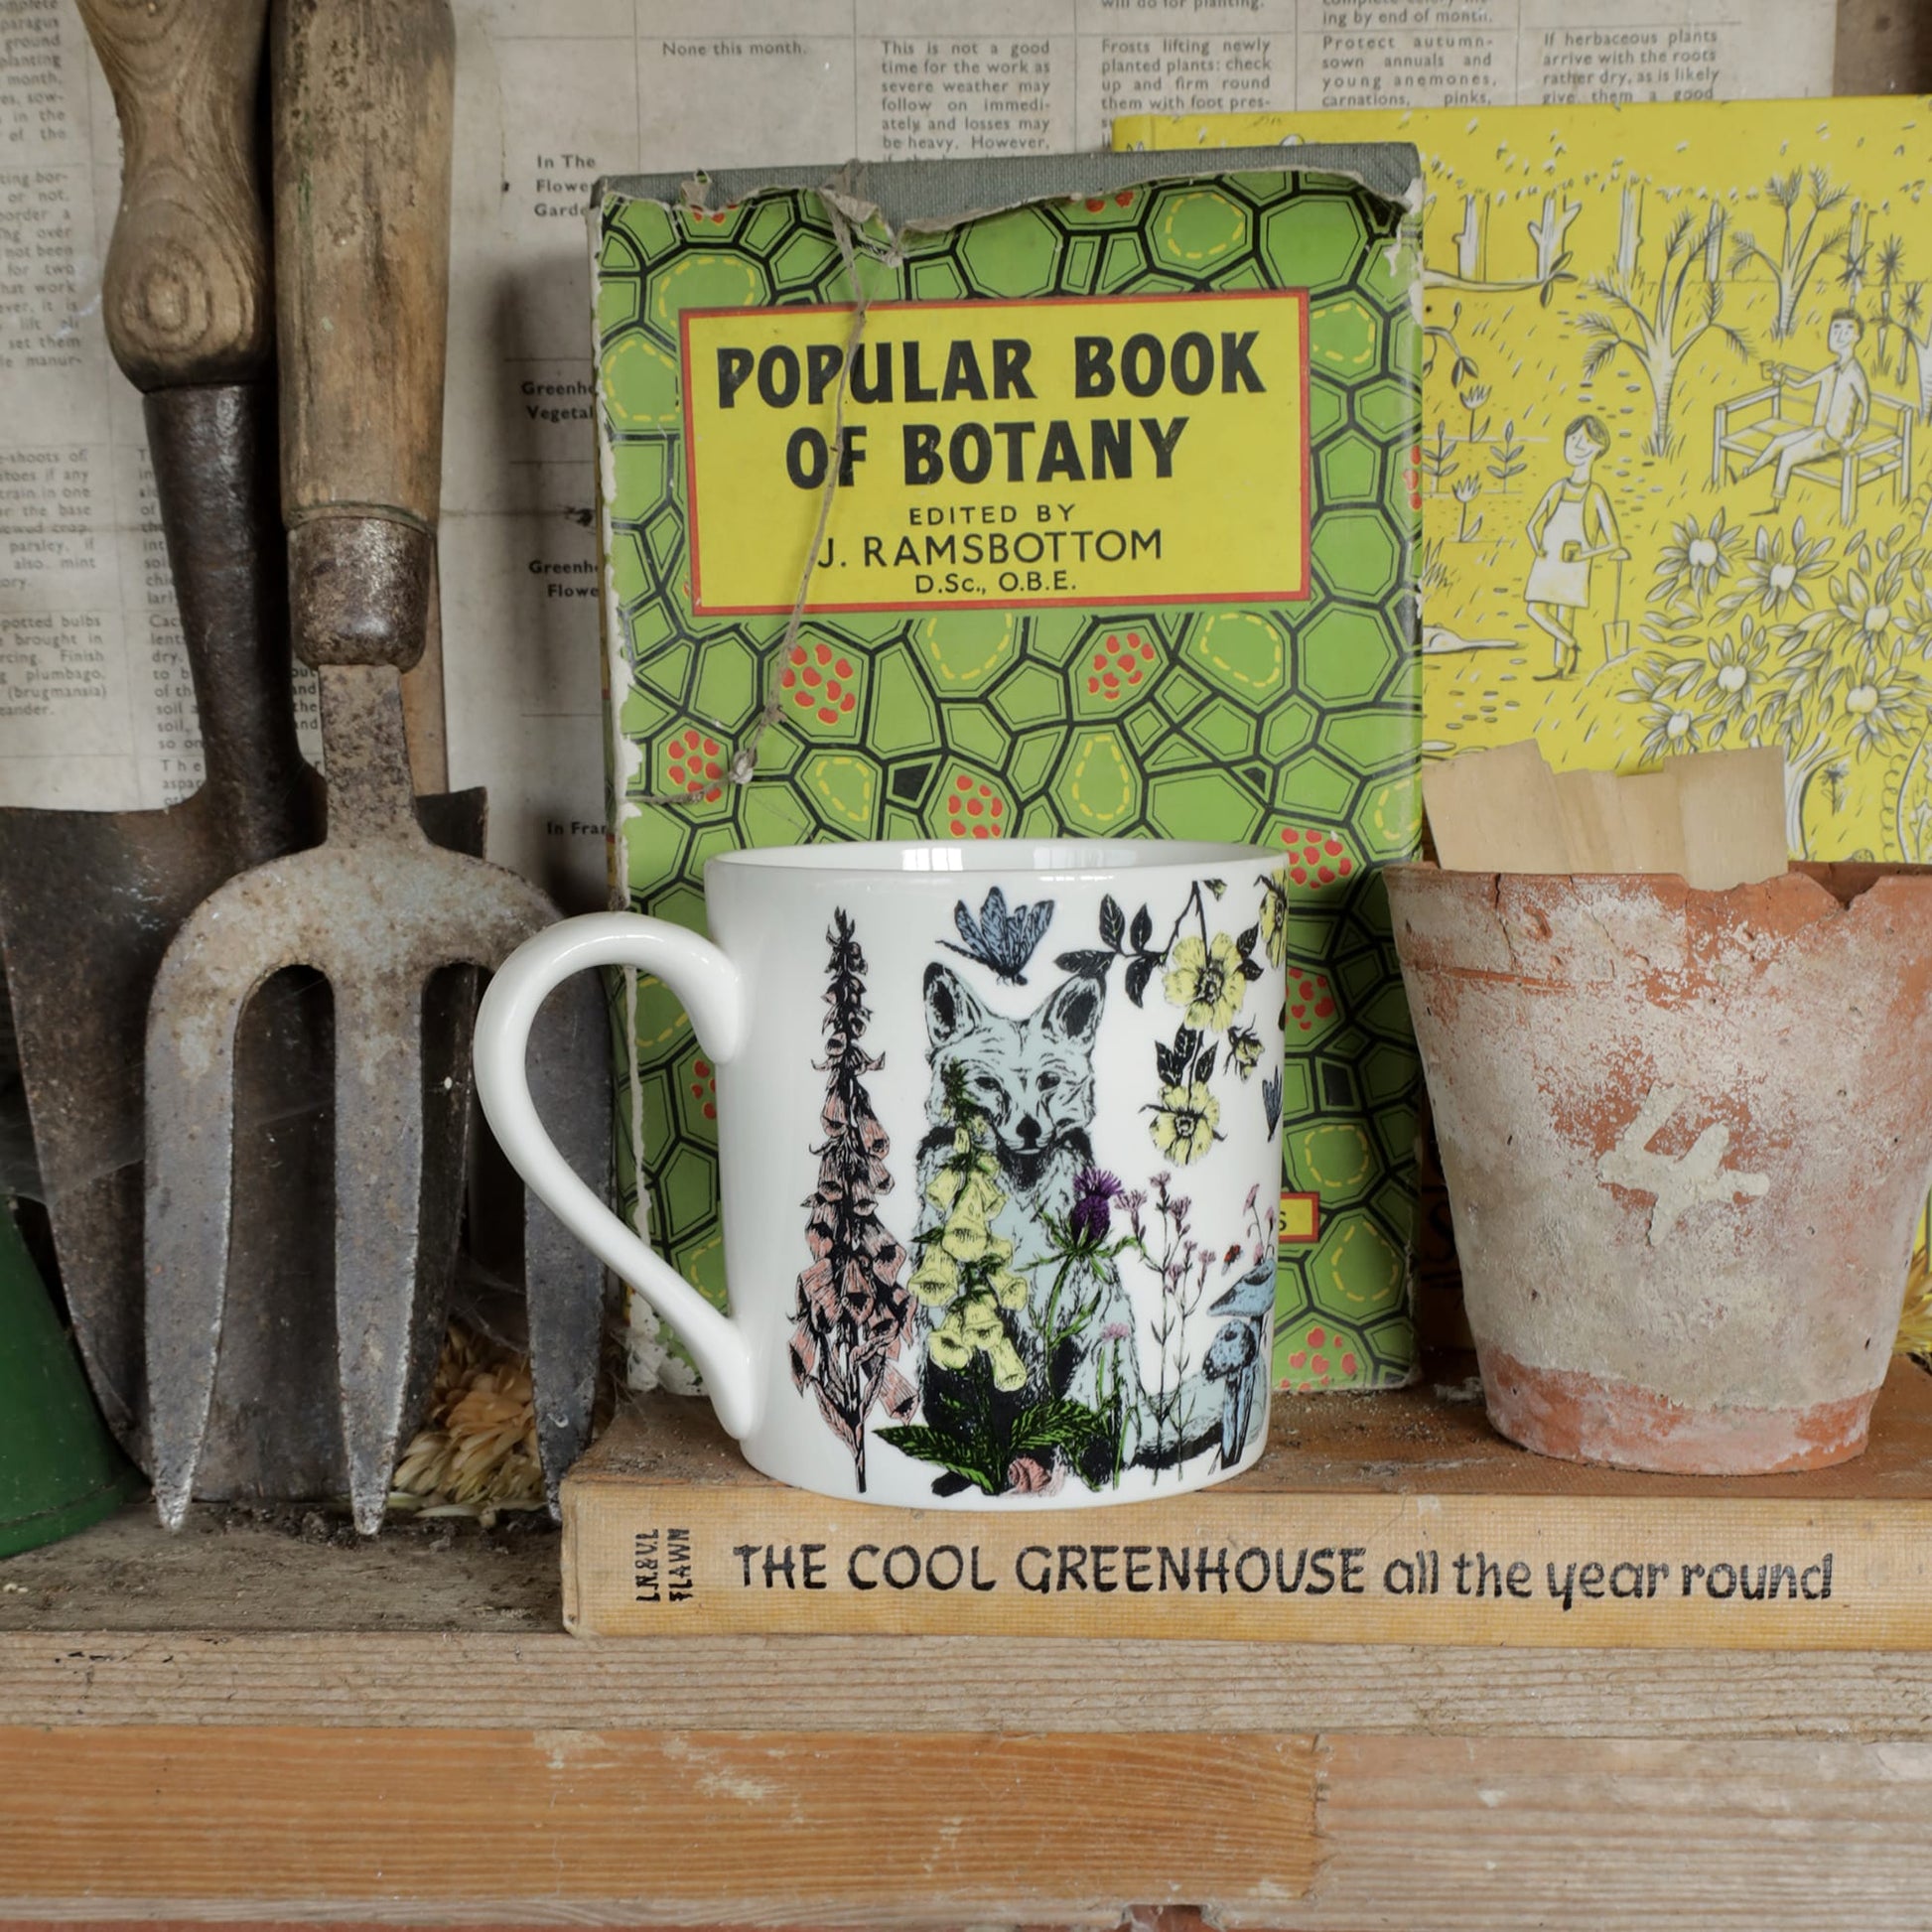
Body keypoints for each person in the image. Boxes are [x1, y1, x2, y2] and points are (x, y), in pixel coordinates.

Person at [1524, 413, 1624, 680]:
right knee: (1535, 608)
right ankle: (1570, 643)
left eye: (1585, 441)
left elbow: (1614, 542)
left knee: (1564, 614)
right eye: (1573, 438)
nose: (1577, 445)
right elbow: (1532, 524)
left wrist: (1584, 554)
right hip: (1548, 561)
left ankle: (1561, 667)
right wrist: (1538, 548)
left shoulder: (1595, 494)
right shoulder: (1558, 488)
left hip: (1575, 565)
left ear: (1599, 449)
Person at [1736, 309, 1870, 506]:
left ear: (1857, 336)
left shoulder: (1855, 373)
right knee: (1778, 441)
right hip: (1817, 431)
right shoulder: (1833, 369)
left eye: (1847, 330)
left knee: (1788, 454)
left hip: (1833, 439)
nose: (1839, 334)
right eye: (1835, 328)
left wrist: (1852, 440)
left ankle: (1775, 505)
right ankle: (1746, 472)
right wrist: (1781, 378)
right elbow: (1801, 385)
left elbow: (1867, 406)